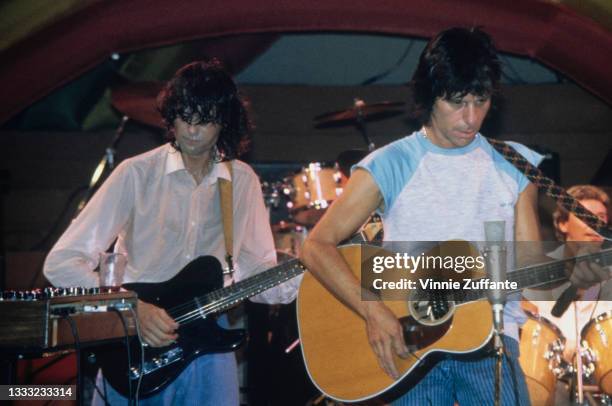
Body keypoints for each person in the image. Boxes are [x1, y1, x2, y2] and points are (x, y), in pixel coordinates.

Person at [300, 26, 595, 405]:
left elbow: (529, 267)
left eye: (481, 100)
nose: (470, 118)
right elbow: (317, 246)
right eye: (456, 102)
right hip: (409, 343)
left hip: (492, 343)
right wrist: (372, 311)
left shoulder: (515, 164)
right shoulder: (391, 163)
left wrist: (571, 266)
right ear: (429, 96)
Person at [44, 60, 300, 405]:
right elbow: (61, 262)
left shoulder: (242, 181)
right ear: (171, 117)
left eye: (205, 119)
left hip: (209, 338)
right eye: (185, 116)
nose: (192, 130)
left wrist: (307, 272)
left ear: (223, 121)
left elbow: (256, 270)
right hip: (135, 340)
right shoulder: (135, 174)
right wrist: (132, 307)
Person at [522, 185, 611, 405]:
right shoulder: (538, 272)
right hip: (553, 381)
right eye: (584, 216)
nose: (594, 224)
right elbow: (535, 333)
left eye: (600, 217)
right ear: (562, 223)